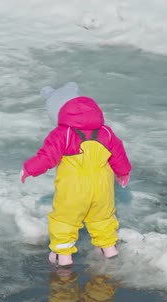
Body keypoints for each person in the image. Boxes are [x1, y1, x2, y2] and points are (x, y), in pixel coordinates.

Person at [21, 82, 132, 267]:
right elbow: (118, 153)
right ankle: (109, 249)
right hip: (103, 187)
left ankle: (63, 257)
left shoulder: (62, 134)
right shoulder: (106, 132)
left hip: (74, 189)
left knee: (65, 219)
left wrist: (29, 169)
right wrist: (123, 171)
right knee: (103, 217)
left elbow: (47, 157)